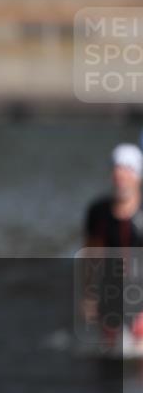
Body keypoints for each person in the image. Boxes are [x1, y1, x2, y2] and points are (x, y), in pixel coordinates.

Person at [81, 143, 143, 349]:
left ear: (138, 178)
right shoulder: (98, 212)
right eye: (117, 170)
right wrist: (89, 296)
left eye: (128, 171)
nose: (121, 177)